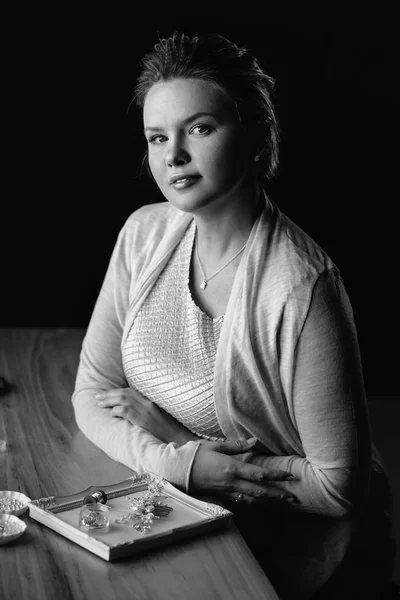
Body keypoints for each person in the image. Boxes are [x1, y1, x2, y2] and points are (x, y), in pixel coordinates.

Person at [72, 32, 396, 598]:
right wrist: (181, 461)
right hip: (182, 510)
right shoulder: (142, 236)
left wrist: (169, 438)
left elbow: (337, 487)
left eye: (199, 128)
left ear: (253, 136)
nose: (173, 155)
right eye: (156, 137)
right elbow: (89, 394)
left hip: (294, 544)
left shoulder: (302, 287)